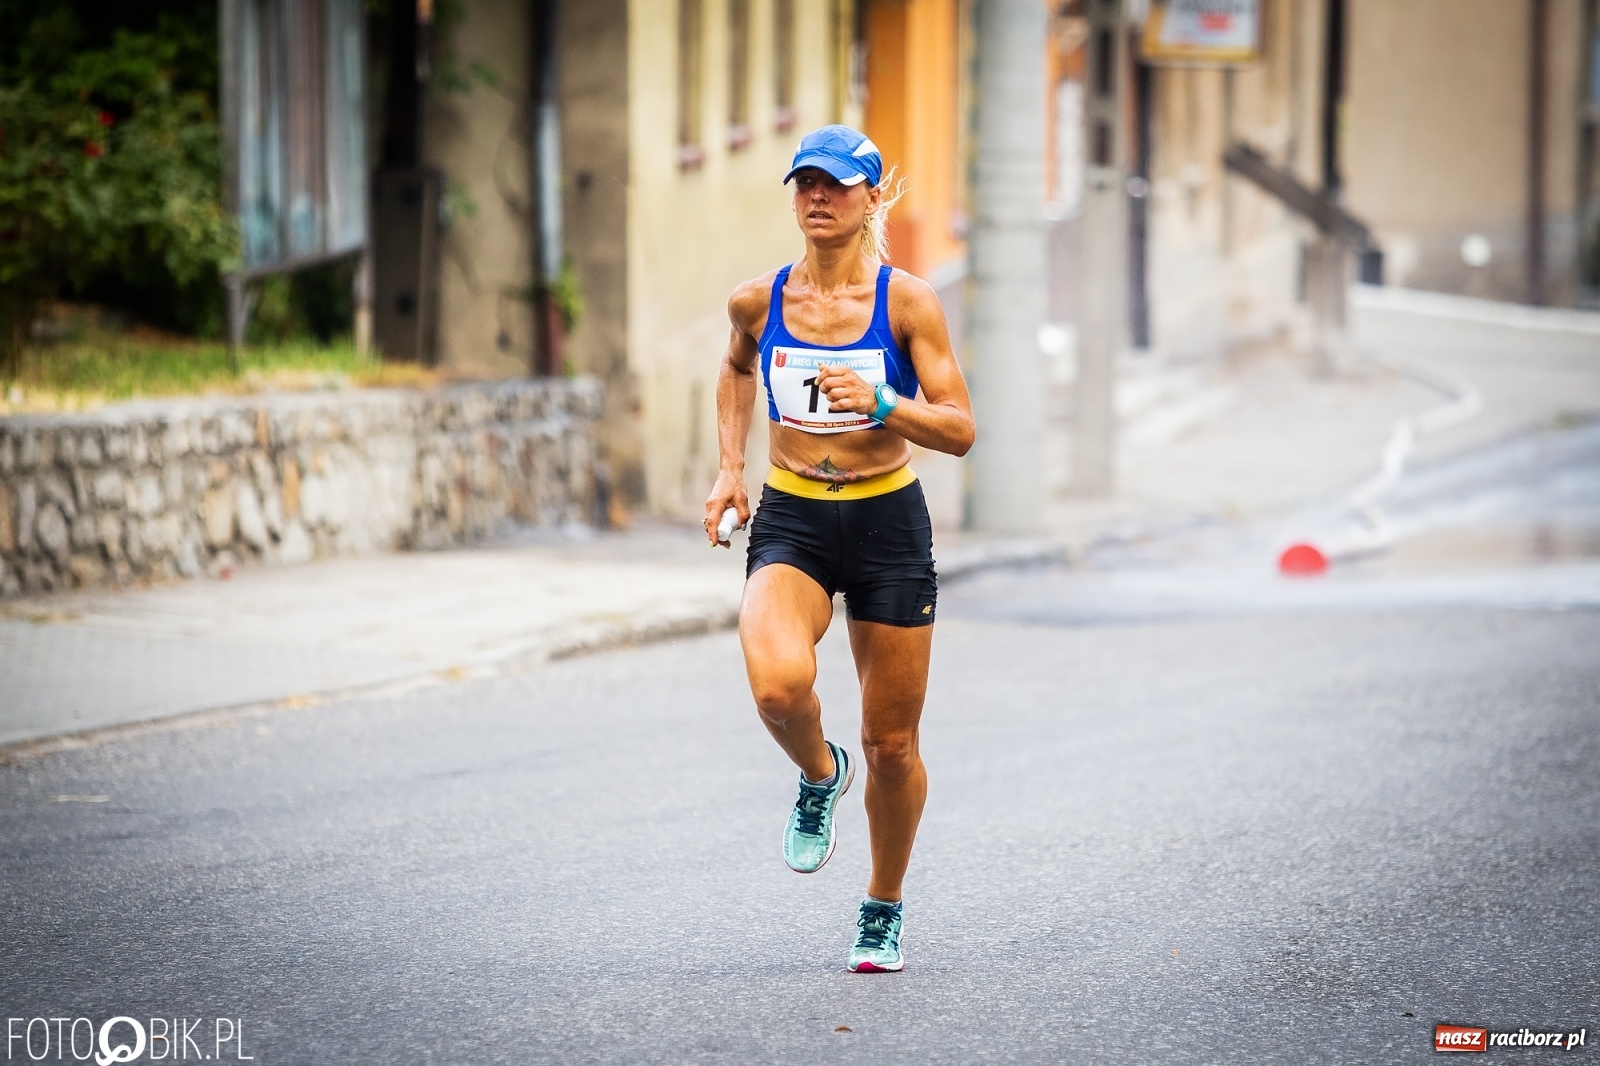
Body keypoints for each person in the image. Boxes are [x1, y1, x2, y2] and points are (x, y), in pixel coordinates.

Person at [704, 124, 976, 973]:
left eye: (836, 184)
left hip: (887, 522)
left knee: (892, 745)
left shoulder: (908, 303)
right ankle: (821, 773)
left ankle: (882, 907)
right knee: (777, 688)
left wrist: (884, 402)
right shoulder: (759, 301)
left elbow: (960, 428)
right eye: (805, 183)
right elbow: (736, 368)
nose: (817, 197)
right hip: (794, 517)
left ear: (872, 199)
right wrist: (729, 469)